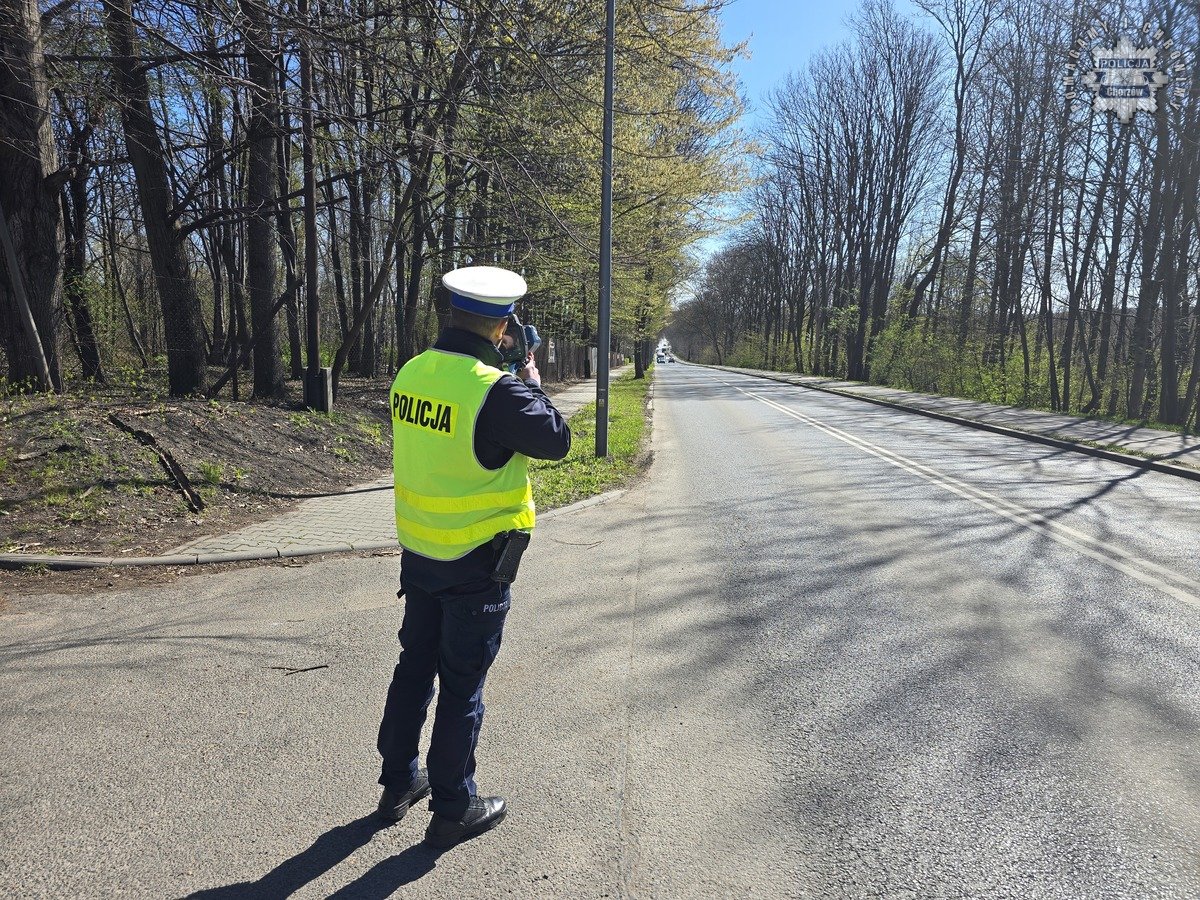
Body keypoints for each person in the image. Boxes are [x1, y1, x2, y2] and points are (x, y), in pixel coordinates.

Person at [374, 265, 571, 849]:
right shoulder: (499, 390)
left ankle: (398, 782)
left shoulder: (411, 372)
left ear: (451, 312)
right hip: (478, 564)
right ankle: (454, 806)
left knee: (414, 667)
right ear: (505, 325)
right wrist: (530, 378)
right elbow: (556, 439)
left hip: (419, 553)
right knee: (462, 684)